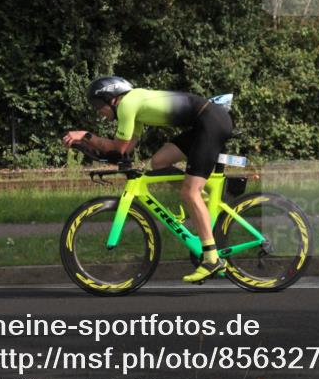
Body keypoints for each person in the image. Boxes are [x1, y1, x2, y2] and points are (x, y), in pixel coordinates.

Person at [61, 76, 234, 283]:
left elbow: (119, 147)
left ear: (112, 98)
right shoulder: (135, 107)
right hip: (207, 121)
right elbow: (123, 150)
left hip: (211, 122)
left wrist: (85, 135)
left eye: (99, 105)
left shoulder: (127, 104)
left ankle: (211, 259)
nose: (99, 112)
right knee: (159, 162)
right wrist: (88, 145)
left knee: (189, 191)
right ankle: (203, 202)